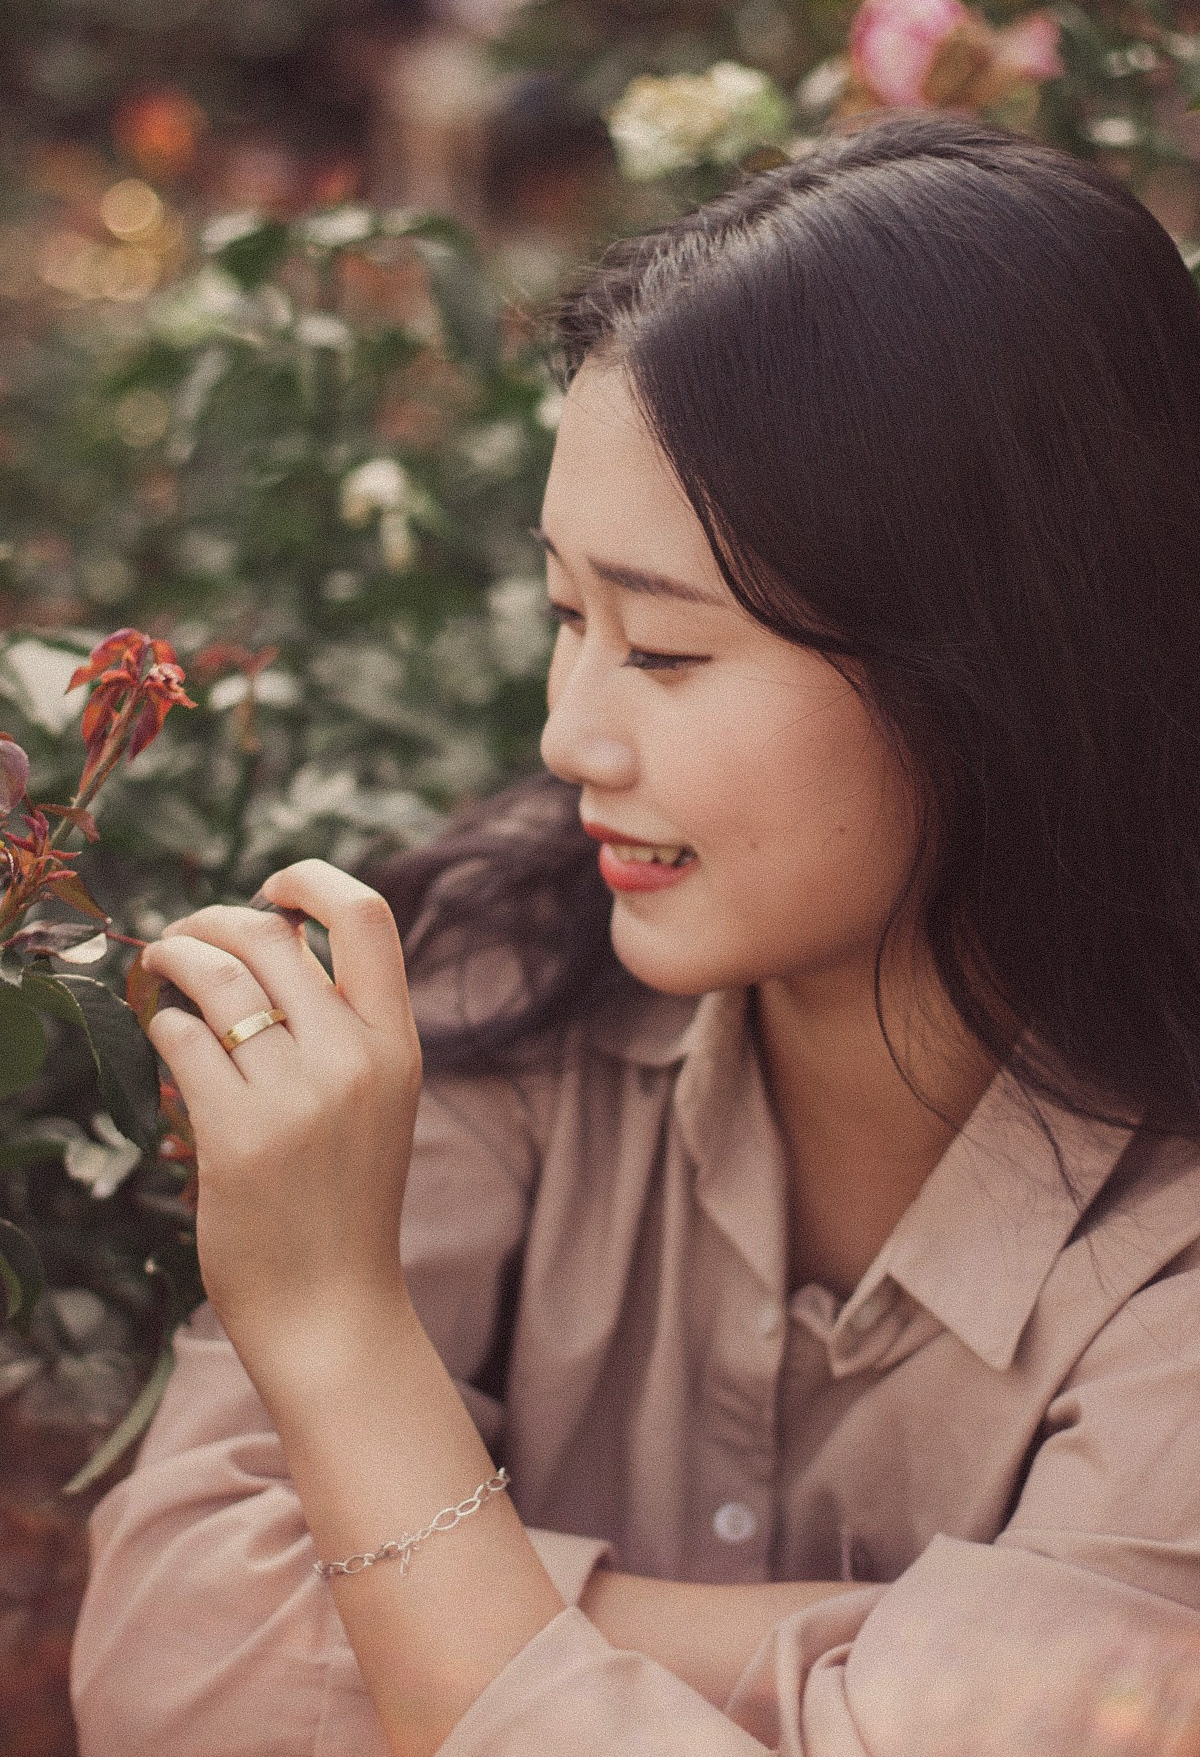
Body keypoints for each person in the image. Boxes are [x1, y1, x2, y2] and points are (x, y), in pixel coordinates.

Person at [70, 110, 1200, 1755]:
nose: (570, 739)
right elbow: (175, 1665)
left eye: (664, 651)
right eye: (563, 616)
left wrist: (343, 1345)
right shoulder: (500, 956)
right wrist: (849, 1674)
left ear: (1002, 667)